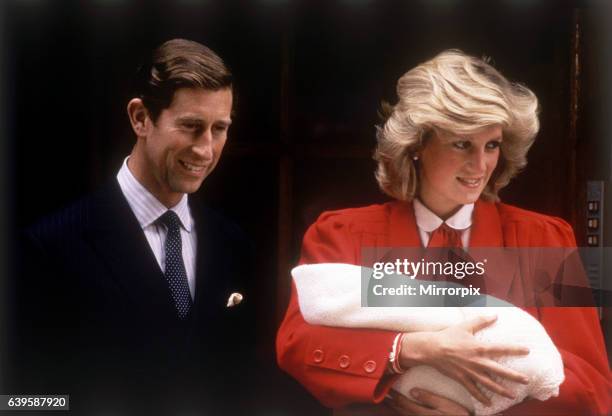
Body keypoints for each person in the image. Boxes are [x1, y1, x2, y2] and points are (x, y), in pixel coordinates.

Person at [276, 50, 611, 415]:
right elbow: (296, 345)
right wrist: (407, 351)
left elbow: (594, 384)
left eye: (492, 145)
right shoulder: (340, 232)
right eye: (462, 143)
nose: (480, 166)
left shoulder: (548, 238)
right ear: (417, 144)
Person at [11, 39, 257, 413]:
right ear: (140, 118)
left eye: (219, 128)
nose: (206, 149)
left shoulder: (234, 243)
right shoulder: (50, 246)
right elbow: (21, 400)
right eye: (191, 126)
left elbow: (246, 382)